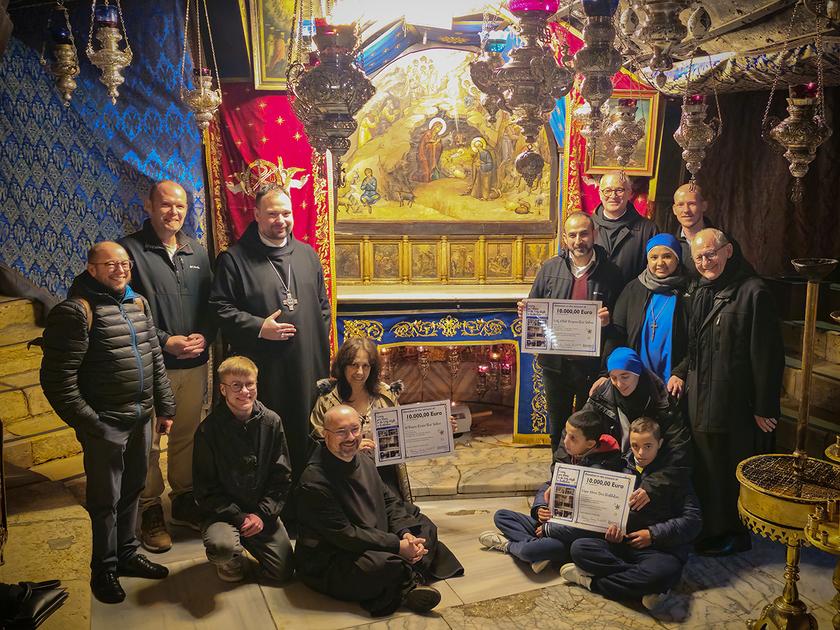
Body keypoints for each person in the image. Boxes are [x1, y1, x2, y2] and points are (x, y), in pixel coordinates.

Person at [39, 241, 174, 604]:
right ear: (92, 268)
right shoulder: (76, 311)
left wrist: (166, 407)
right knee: (105, 500)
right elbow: (57, 380)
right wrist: (92, 423)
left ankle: (127, 554)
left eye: (124, 263)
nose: (120, 269)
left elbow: (154, 359)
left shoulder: (138, 303)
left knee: (132, 489)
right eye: (110, 263)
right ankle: (104, 568)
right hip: (106, 423)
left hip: (142, 417)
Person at [675, 228, 784, 556]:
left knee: (728, 467)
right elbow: (694, 346)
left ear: (728, 251)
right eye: (699, 258)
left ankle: (734, 533)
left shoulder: (753, 292)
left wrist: (765, 406)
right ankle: (708, 528)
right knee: (706, 467)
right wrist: (681, 373)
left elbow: (767, 354)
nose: (705, 262)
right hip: (700, 399)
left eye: (711, 254)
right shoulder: (699, 290)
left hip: (732, 401)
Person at [209, 186, 330, 481]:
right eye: (273, 213)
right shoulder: (235, 259)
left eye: (286, 213)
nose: (281, 220)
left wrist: (312, 344)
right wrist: (259, 328)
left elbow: (323, 307)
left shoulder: (307, 255)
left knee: (307, 430)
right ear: (257, 215)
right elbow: (219, 308)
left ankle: (309, 494)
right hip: (265, 368)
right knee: (269, 437)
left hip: (306, 365)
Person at [295, 405, 464, 617]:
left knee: (422, 524)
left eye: (355, 429)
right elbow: (346, 535)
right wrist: (397, 546)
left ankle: (405, 576)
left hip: (373, 534)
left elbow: (389, 501)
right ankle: (409, 582)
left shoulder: (363, 460)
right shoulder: (314, 482)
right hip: (335, 553)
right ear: (324, 434)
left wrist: (405, 535)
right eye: (341, 432)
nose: (350, 437)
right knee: (378, 566)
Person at [120, 180, 214, 552]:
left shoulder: (199, 252)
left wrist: (204, 335)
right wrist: (164, 340)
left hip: (194, 363)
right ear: (148, 205)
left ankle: (184, 497)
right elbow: (124, 310)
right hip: (150, 364)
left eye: (180, 206)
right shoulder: (130, 251)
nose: (173, 213)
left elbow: (213, 304)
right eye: (166, 205)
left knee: (188, 432)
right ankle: (148, 506)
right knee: (148, 440)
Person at [561, 417, 702, 612]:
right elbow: (608, 507)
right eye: (635, 446)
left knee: (663, 571)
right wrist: (611, 530)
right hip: (624, 544)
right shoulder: (621, 466)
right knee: (580, 548)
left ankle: (591, 583)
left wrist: (653, 535)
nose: (641, 453)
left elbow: (692, 521)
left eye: (648, 446)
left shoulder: (673, 474)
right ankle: (649, 586)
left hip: (659, 549)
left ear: (659, 444)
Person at [519, 211, 624, 454]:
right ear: (565, 238)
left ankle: (585, 473)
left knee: (590, 428)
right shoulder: (549, 268)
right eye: (573, 235)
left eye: (584, 234)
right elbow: (534, 307)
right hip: (556, 366)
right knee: (558, 426)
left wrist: (609, 322)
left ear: (594, 235)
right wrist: (526, 311)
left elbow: (621, 324)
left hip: (591, 366)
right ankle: (559, 475)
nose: (579, 241)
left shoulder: (612, 273)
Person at [478, 410, 622, 573]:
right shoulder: (572, 454)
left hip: (571, 537)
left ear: (589, 443)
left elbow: (590, 522)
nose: (565, 441)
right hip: (552, 522)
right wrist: (540, 507)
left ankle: (509, 546)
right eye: (566, 434)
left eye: (573, 438)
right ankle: (537, 548)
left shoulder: (602, 470)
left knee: (528, 551)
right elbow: (549, 484)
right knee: (502, 516)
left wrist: (549, 530)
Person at [192, 356, 293, 583]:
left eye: (250, 384)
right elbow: (205, 488)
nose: (244, 391)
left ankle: (251, 538)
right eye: (236, 385)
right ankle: (231, 554)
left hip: (260, 511)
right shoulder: (208, 431)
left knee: (283, 572)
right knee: (222, 547)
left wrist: (262, 514)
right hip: (223, 513)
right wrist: (239, 517)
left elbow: (282, 476)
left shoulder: (272, 422)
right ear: (223, 390)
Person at [579, 347, 691, 501]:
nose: (619, 383)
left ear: (637, 373)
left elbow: (678, 451)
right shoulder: (602, 395)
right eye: (613, 377)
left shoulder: (662, 400)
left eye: (625, 376)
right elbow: (575, 432)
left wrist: (651, 487)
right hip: (615, 466)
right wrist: (559, 479)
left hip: (653, 470)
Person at [309, 337, 409, 500]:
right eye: (354, 365)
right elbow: (317, 443)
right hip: (342, 477)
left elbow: (405, 431)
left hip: (383, 474)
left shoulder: (386, 394)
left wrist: (439, 428)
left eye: (365, 366)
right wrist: (351, 448)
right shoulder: (327, 400)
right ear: (343, 366)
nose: (360, 372)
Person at [602, 234, 690, 393]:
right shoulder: (632, 289)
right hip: (635, 381)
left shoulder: (690, 290)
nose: (660, 263)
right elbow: (617, 334)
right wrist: (605, 372)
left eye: (667, 256)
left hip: (674, 382)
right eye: (654, 257)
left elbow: (696, 341)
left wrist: (680, 372)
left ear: (678, 259)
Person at [592, 172, 659, 286]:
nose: (613, 196)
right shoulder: (587, 226)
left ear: (630, 193)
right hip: (594, 298)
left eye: (619, 190)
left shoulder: (648, 229)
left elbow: (655, 270)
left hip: (631, 297)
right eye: (607, 190)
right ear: (600, 194)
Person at [672, 183, 714, 272]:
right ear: (674, 210)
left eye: (692, 204)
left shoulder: (722, 242)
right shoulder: (669, 245)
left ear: (704, 206)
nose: (686, 210)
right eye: (680, 205)